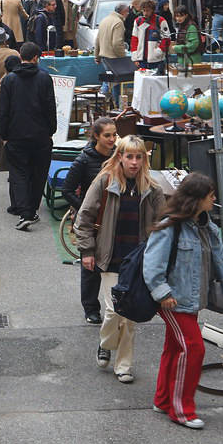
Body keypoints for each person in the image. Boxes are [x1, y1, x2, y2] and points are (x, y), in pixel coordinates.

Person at [143, 173, 223, 429]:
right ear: (197, 199)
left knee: (174, 348)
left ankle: (163, 401)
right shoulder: (171, 226)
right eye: (210, 195)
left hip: (188, 301)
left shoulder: (207, 227)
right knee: (193, 349)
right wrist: (163, 295)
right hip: (173, 302)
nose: (214, 199)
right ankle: (181, 410)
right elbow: (152, 266)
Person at [73, 135, 164, 385]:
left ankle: (123, 366)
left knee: (130, 317)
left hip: (138, 262)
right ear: (120, 157)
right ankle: (105, 343)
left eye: (139, 157)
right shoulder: (104, 182)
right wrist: (88, 251)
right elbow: (84, 218)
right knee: (114, 311)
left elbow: (162, 225)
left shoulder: (152, 189)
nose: (134, 162)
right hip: (110, 257)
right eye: (129, 156)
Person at [61, 118, 118, 325]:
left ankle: (117, 304)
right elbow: (67, 190)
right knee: (90, 264)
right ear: (96, 136)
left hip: (114, 217)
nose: (112, 139)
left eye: (114, 134)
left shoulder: (118, 156)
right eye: (107, 135)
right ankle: (91, 308)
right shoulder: (83, 161)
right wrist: (86, 208)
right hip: (92, 220)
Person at [0, 42, 57, 230]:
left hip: (15, 135)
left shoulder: (9, 80)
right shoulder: (45, 79)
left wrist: (3, 134)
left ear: (21, 56)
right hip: (40, 135)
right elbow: (50, 108)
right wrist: (51, 130)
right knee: (38, 174)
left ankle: (25, 212)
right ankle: (31, 209)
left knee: (19, 173)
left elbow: (3, 111)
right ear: (36, 58)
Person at [130, 0, 171, 71]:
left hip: (157, 60)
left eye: (148, 11)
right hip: (141, 60)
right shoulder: (138, 21)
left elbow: (166, 39)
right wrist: (135, 57)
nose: (145, 13)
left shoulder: (161, 21)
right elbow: (134, 40)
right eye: (144, 11)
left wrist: (159, 52)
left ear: (152, 10)